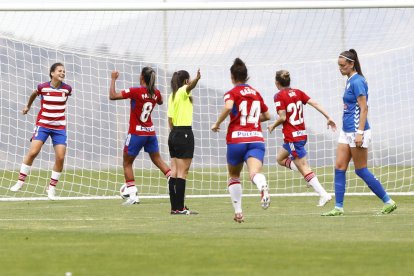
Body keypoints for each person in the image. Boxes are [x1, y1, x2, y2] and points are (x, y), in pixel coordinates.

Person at [322, 49, 397, 216]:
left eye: (342, 66)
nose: (339, 68)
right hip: (345, 130)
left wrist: (360, 132)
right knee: (339, 167)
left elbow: (364, 108)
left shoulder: (357, 81)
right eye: (338, 65)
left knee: (360, 169)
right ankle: (338, 207)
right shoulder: (349, 80)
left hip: (357, 130)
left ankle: (388, 201)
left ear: (351, 64)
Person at [211, 58, 271, 223]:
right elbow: (267, 116)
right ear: (246, 76)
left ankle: (238, 212)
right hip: (256, 139)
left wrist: (217, 123)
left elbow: (229, 106)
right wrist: (253, 120)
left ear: (232, 77)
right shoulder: (256, 93)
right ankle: (262, 185)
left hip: (237, 139)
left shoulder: (232, 93)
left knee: (234, 176)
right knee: (254, 173)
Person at [268, 70, 336, 207]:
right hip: (300, 135)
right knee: (280, 158)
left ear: (276, 83)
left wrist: (272, 126)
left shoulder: (278, 96)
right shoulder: (298, 92)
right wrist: (328, 117)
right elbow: (315, 103)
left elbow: (282, 117)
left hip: (293, 137)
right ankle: (308, 177)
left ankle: (323, 194)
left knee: (304, 167)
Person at [110, 67, 171, 205]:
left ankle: (133, 196)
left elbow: (112, 96)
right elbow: (160, 101)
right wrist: (153, 94)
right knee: (157, 159)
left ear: (142, 77)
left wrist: (113, 78)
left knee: (127, 163)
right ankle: (171, 180)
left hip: (136, 133)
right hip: (150, 133)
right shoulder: (156, 93)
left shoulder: (135, 91)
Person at [10, 63, 72, 200]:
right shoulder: (42, 87)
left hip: (59, 128)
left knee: (61, 157)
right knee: (33, 152)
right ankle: (20, 182)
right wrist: (28, 106)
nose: (62, 73)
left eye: (64, 71)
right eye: (59, 71)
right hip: (43, 125)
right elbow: (34, 94)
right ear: (52, 73)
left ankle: (51, 188)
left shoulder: (67, 89)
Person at [167, 69, 201, 215]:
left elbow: (169, 119)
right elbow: (190, 87)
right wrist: (197, 79)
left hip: (173, 133)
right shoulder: (182, 91)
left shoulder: (172, 95)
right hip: (184, 133)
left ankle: (175, 207)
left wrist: (175, 133)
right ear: (186, 80)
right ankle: (180, 208)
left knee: (174, 172)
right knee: (182, 172)